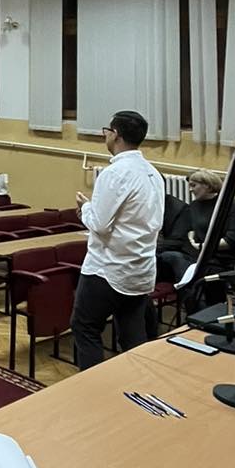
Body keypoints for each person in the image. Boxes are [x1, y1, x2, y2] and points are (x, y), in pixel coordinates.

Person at [69, 111, 165, 371]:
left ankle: (92, 387)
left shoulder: (115, 173)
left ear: (116, 134)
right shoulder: (154, 174)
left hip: (108, 268)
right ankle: (138, 381)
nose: (105, 136)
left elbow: (100, 224)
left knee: (85, 327)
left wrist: (85, 208)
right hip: (140, 268)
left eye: (107, 131)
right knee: (133, 336)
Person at [156, 169, 235, 286]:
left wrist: (202, 246)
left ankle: (190, 290)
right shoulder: (194, 206)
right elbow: (191, 229)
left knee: (177, 261)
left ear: (208, 186)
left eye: (193, 185)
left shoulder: (231, 205)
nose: (190, 190)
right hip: (197, 255)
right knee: (166, 256)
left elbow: (231, 239)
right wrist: (192, 238)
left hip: (220, 258)